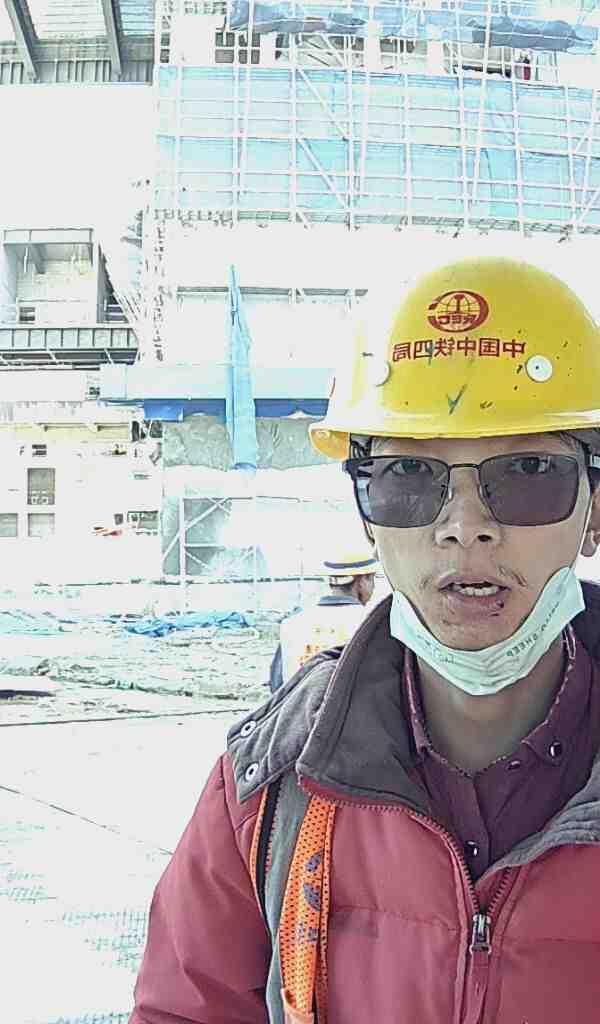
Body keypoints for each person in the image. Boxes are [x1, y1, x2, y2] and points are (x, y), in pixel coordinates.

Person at [128, 257, 600, 1024]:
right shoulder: (268, 784)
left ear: (595, 510)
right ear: (367, 516)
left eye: (528, 472)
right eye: (409, 475)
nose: (464, 526)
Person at [268, 551, 378, 691]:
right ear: (362, 582)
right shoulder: (371, 623)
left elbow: (277, 686)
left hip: (300, 704)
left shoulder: (292, 624)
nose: (373, 587)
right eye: (372, 579)